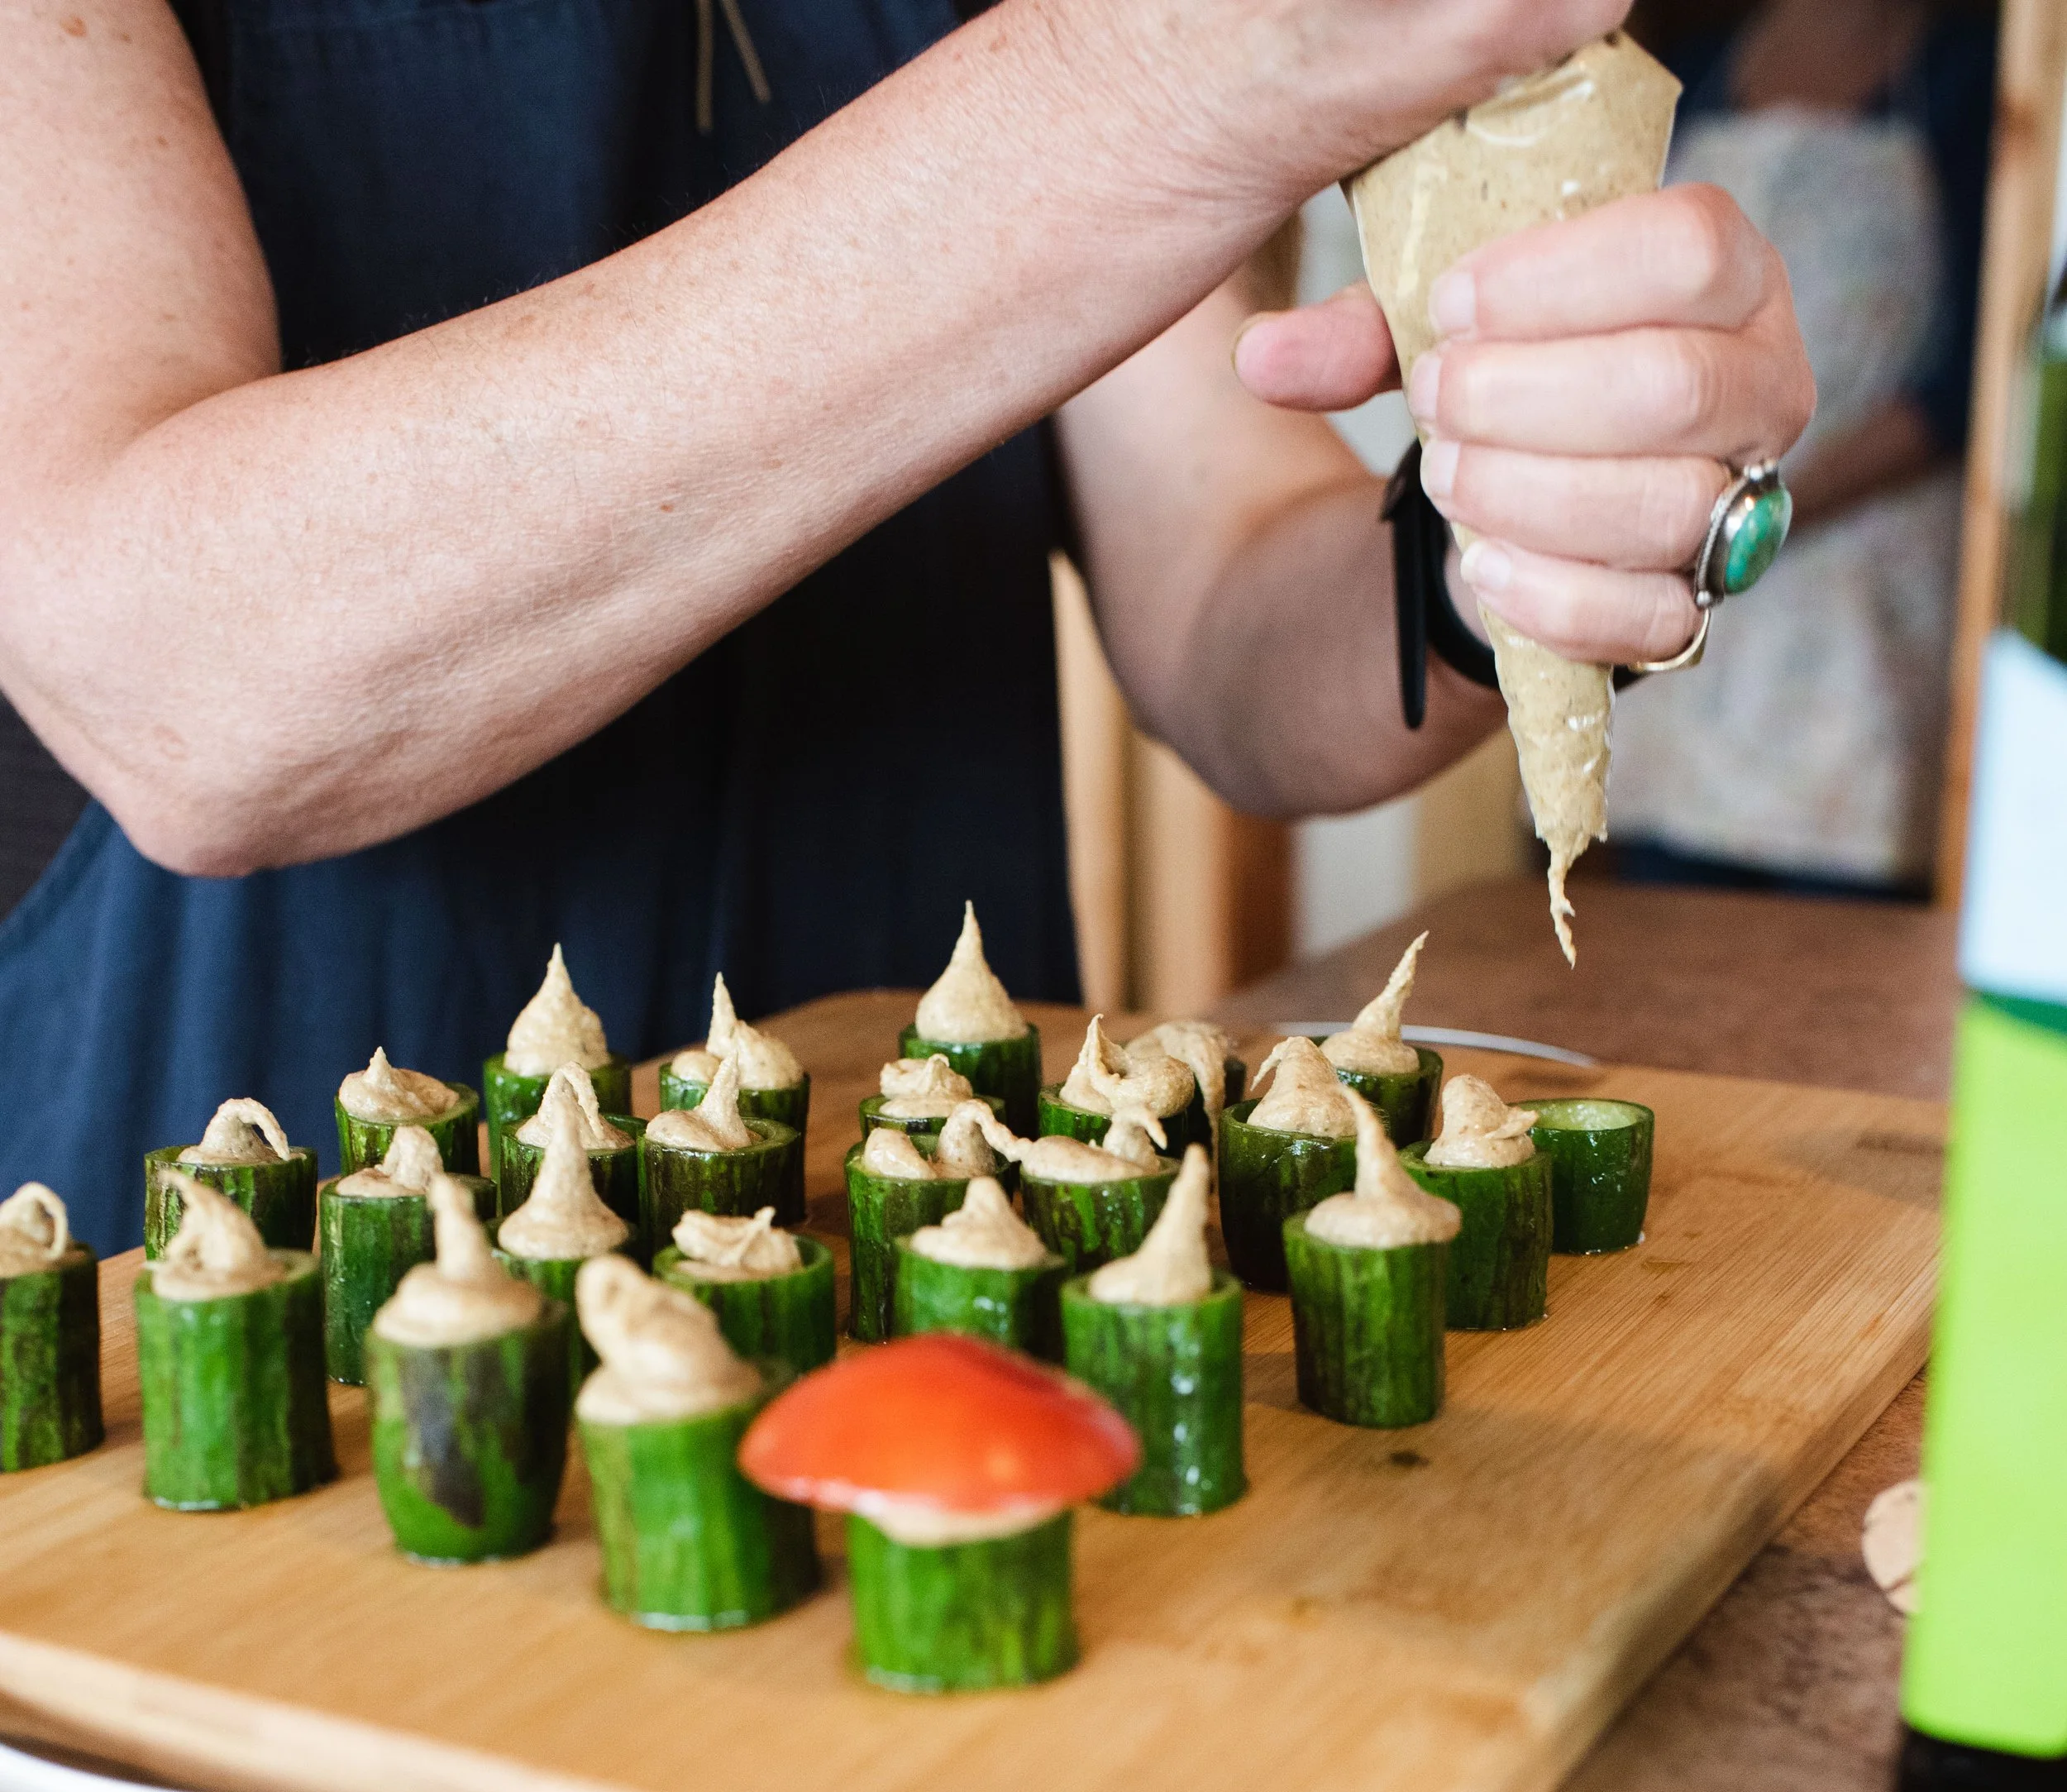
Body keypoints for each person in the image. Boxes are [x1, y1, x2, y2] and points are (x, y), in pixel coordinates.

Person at [0, 0, 1814, 1245]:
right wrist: (1149, 96)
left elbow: (1230, 607)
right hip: (223, 1309)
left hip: (943, 1265)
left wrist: (1493, 542)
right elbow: (179, 680)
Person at [1611, 0, 1998, 896]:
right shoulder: (1693, 71)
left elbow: (1972, 377)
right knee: (1660, 928)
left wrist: (1759, 514)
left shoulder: (1961, 75)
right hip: (1691, 599)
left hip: (1860, 605)